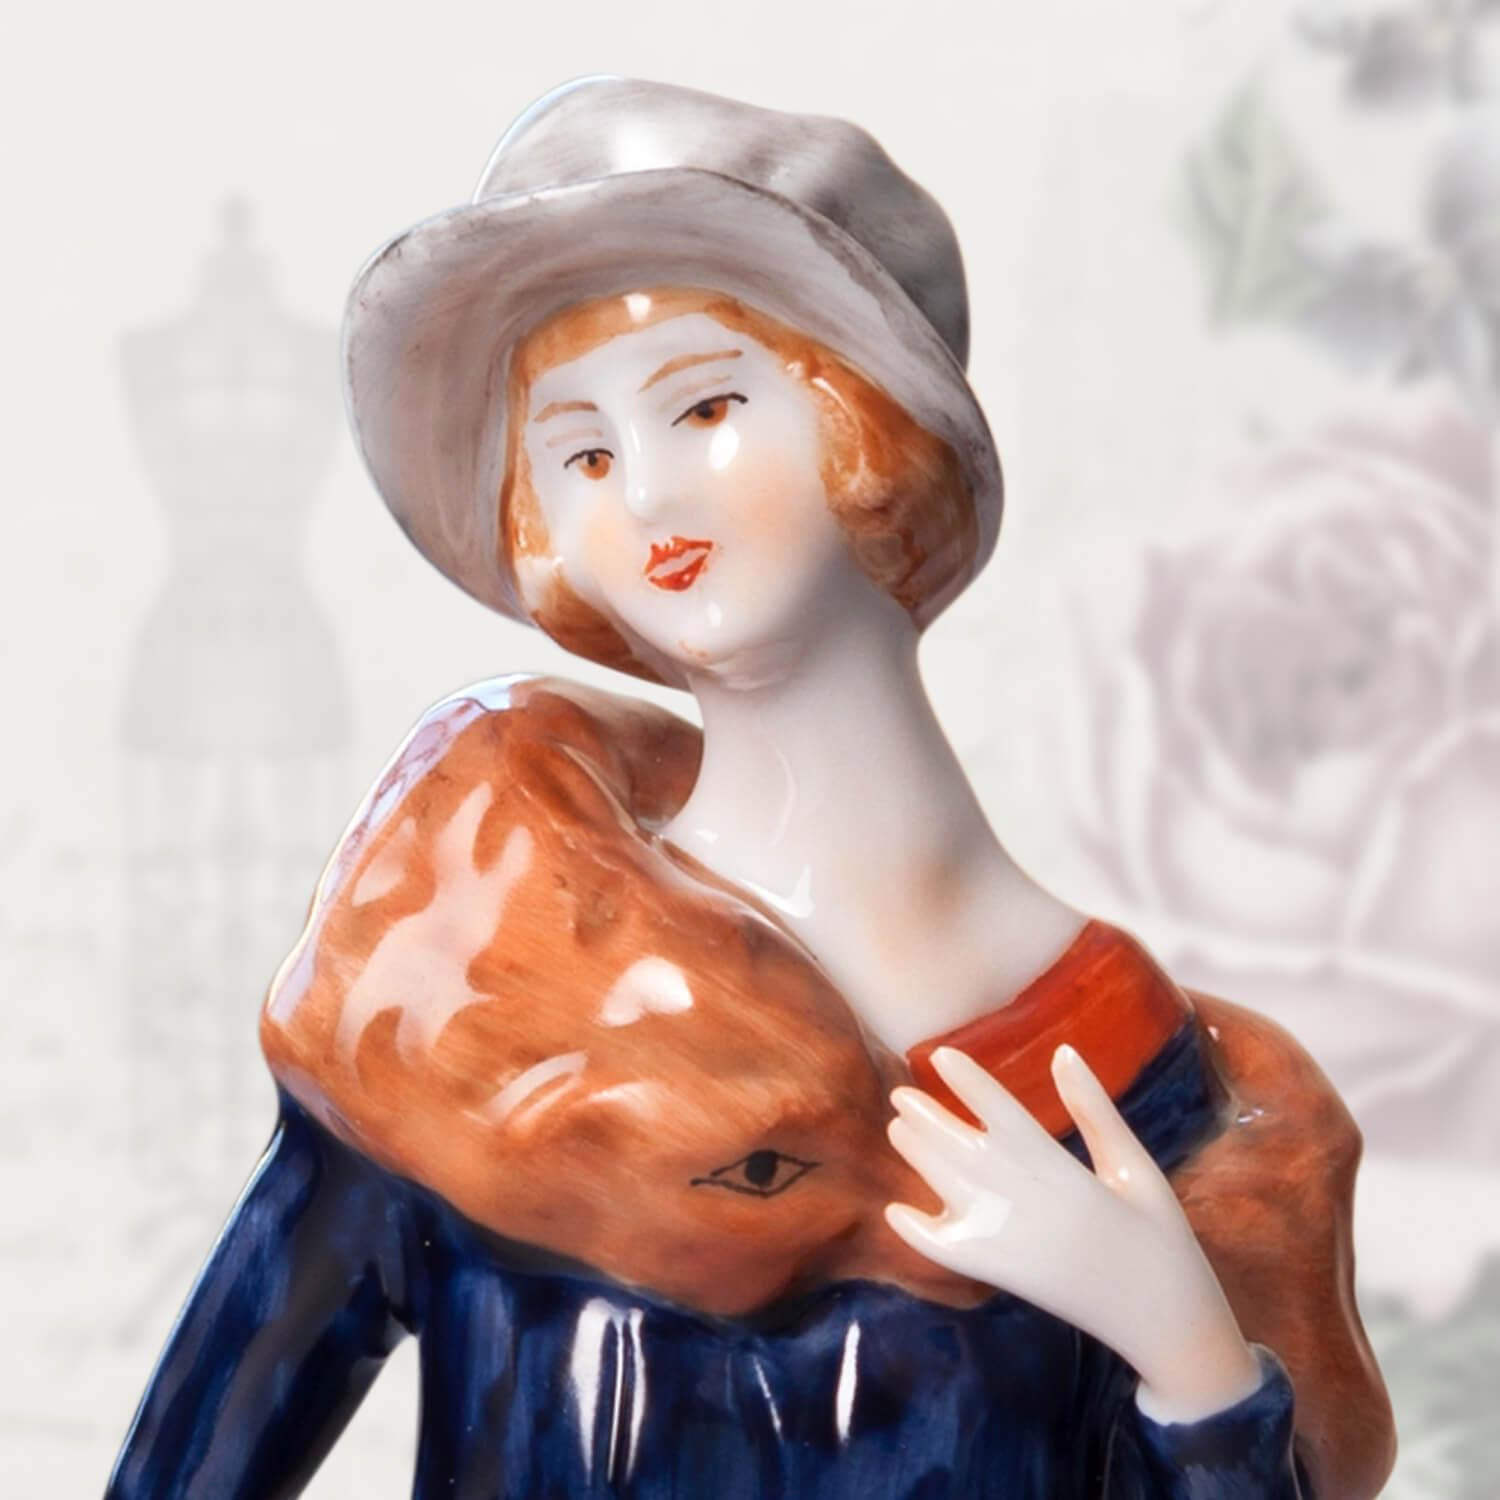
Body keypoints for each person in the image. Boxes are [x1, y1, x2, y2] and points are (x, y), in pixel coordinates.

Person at [105, 78, 1395, 1499]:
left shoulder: (1135, 1079)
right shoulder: (480, 975)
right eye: (583, 452)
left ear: (868, 425)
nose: (647, 497)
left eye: (707, 405)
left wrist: (1187, 1355)